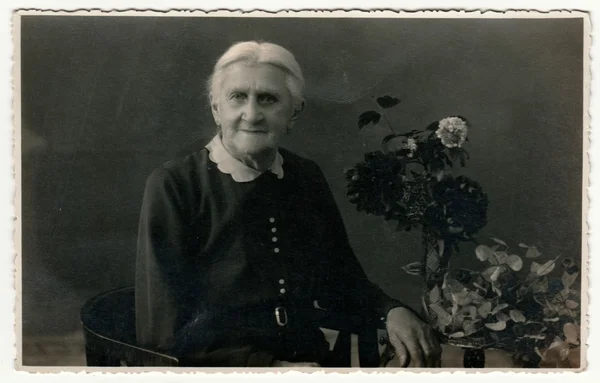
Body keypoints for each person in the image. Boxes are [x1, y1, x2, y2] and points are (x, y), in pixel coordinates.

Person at [135, 41, 441, 367]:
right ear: (216, 109)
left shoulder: (304, 176)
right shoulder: (176, 185)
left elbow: (340, 276)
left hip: (309, 362)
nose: (251, 114)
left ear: (294, 113)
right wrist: (271, 369)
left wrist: (390, 311)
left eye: (268, 99)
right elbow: (162, 333)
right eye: (238, 97)